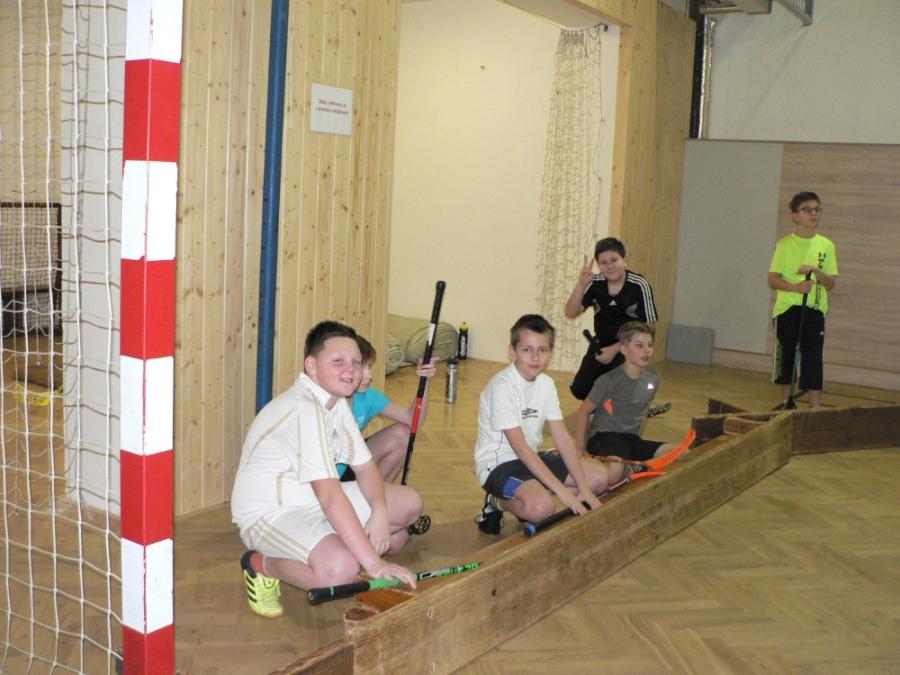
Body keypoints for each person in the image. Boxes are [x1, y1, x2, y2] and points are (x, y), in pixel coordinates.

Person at [231, 321, 423, 618]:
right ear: (311, 366)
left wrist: (380, 512)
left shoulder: (336, 405)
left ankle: (338, 540)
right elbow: (330, 497)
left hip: (312, 503)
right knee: (341, 569)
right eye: (338, 361)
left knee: (408, 504)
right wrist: (374, 564)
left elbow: (365, 466)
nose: (351, 370)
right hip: (271, 513)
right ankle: (260, 564)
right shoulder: (303, 409)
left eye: (356, 362)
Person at [473, 314, 624, 536]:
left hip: (531, 457)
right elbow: (521, 449)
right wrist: (563, 492)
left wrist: (583, 490)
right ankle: (497, 501)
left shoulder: (546, 384)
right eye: (527, 350)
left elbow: (563, 438)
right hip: (499, 466)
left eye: (542, 350)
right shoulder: (502, 387)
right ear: (512, 351)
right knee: (542, 508)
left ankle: (532, 489)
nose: (535, 357)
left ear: (551, 353)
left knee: (600, 478)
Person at [767, 191, 838, 409]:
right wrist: (795, 288)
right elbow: (772, 279)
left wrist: (816, 270)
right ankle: (786, 401)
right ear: (795, 215)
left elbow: (830, 283)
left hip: (815, 310)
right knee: (786, 357)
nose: (813, 214)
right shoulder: (785, 245)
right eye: (807, 210)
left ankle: (815, 407)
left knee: (813, 358)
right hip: (788, 309)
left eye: (817, 209)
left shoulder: (826, 245)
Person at [564, 237, 658, 400]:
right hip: (601, 344)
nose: (609, 266)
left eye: (614, 260)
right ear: (599, 265)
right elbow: (570, 313)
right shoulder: (596, 283)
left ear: (624, 260)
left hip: (629, 347)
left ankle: (634, 401)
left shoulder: (639, 285)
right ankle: (605, 406)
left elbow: (650, 326)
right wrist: (581, 284)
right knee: (580, 389)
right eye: (604, 263)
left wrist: (616, 349)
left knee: (619, 391)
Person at [574, 321, 675, 462]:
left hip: (631, 440)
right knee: (617, 467)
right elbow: (583, 412)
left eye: (650, 345)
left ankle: (637, 467)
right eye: (639, 345)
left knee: (679, 453)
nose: (647, 350)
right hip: (604, 438)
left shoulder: (654, 377)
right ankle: (633, 467)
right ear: (624, 349)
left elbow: (644, 410)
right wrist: (580, 448)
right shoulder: (609, 380)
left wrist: (637, 439)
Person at [347, 336, 437, 483]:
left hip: (350, 463)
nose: (369, 376)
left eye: (369, 367)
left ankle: (377, 493)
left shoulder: (369, 396)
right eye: (361, 368)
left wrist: (425, 381)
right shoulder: (325, 399)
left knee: (403, 434)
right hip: (324, 473)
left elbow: (414, 420)